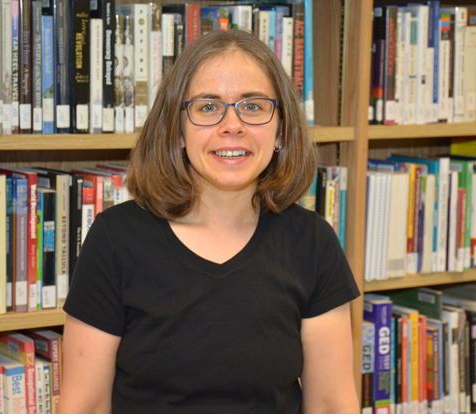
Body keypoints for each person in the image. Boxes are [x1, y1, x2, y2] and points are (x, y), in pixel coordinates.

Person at [58, 29, 361, 414]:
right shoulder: (115, 239)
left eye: (252, 106)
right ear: (178, 131)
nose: (231, 125)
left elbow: (332, 404)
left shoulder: (313, 242)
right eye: (207, 107)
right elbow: (85, 406)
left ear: (281, 129)